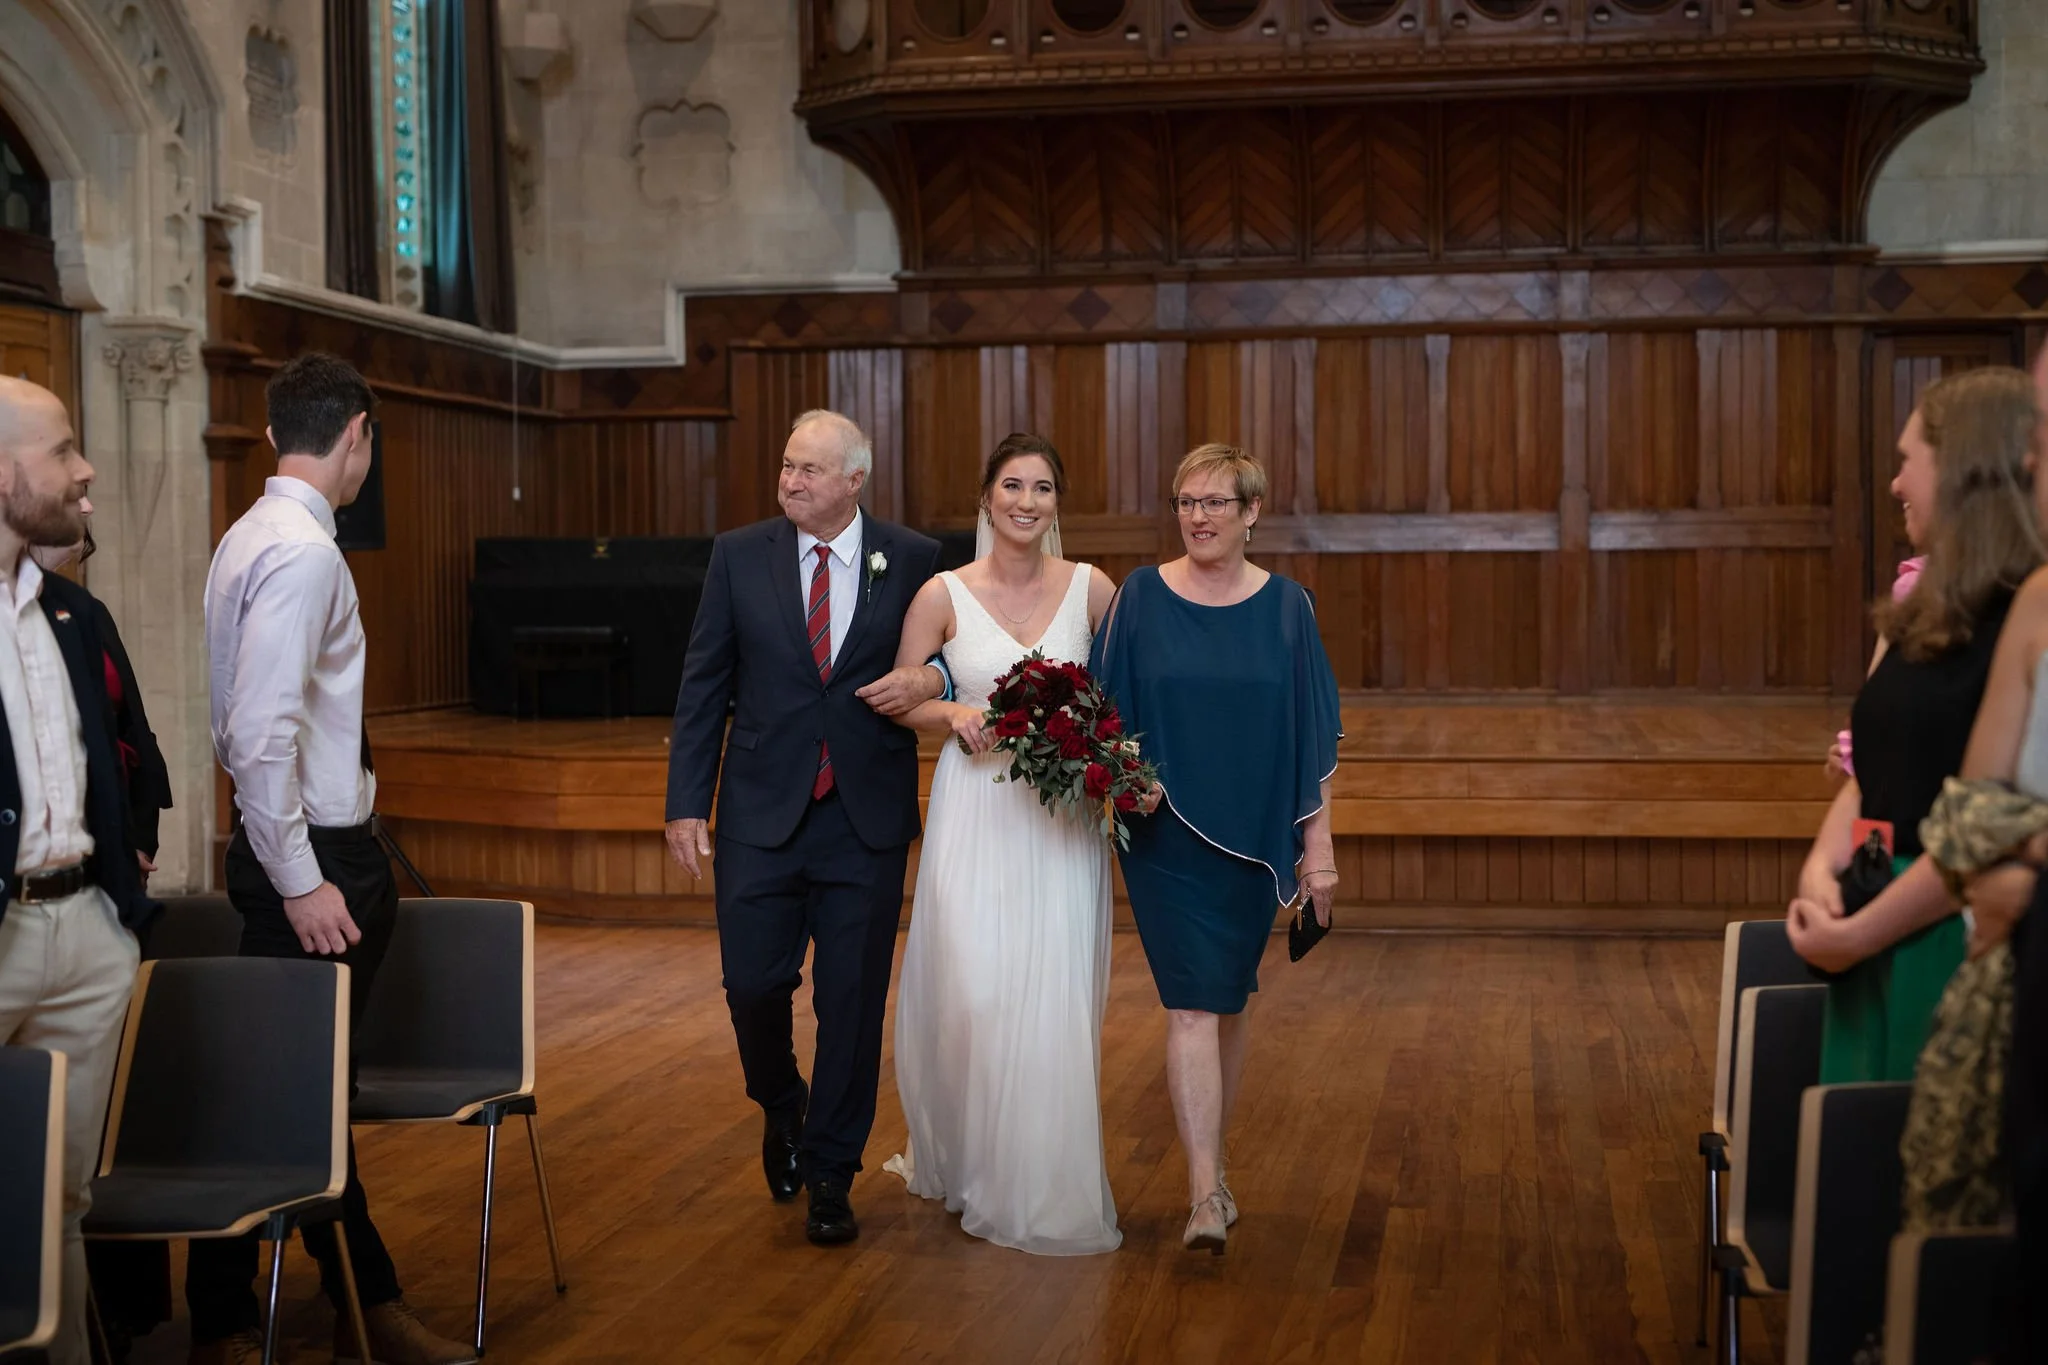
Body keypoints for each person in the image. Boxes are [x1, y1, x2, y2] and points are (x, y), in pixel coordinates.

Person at [188, 353, 473, 1365]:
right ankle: (351, 1309)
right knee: (298, 1099)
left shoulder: (249, 535)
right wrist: (302, 878)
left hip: (292, 846)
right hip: (314, 857)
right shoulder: (306, 554)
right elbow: (260, 733)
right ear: (359, 433)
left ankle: (291, 1308)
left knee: (292, 1092)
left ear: (273, 435)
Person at [664, 410, 949, 1246]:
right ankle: (781, 1103)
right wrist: (688, 800)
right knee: (752, 986)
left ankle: (832, 1171)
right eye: (787, 466)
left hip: (863, 816)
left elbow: (948, 659)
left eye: (810, 471)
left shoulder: (916, 559)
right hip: (758, 810)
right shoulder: (736, 554)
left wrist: (926, 674)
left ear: (854, 481)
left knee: (852, 1005)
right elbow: (702, 682)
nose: (790, 481)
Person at [1090, 443, 1341, 1254]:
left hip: (1255, 836)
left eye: (1216, 503)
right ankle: (1204, 1194)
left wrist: (1319, 850)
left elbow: (1312, 735)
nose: (1199, 516)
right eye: (1187, 502)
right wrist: (1129, 772)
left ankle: (1217, 1169)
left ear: (1252, 513)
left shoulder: (1289, 608)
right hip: (1164, 835)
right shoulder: (1138, 596)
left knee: (1227, 998)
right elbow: (1102, 710)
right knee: (1192, 1003)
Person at [880, 433, 1121, 1255]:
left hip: (1061, 819)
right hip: (975, 810)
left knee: (1051, 994)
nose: (1027, 500)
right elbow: (902, 696)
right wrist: (949, 713)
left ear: (1058, 503)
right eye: (1012, 485)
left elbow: (1126, 693)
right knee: (975, 994)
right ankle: (974, 1158)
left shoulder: (1092, 589)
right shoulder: (942, 593)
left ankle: (1040, 1173)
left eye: (1043, 487)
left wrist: (1103, 751)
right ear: (986, 498)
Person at [1787, 368, 2044, 1083]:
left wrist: (1865, 930)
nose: (1896, 483)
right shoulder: (1917, 613)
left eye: (1908, 462)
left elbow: (1984, 820)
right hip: (1868, 919)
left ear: (1963, 470)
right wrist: (1819, 870)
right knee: (1847, 1166)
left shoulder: (2021, 616)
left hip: (1938, 929)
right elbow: (1872, 768)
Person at [0, 376, 153, 1365]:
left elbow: (110, 763)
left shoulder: (64, 611)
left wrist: (114, 917)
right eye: (61, 449)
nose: (84, 468)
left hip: (82, 937)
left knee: (60, 1193)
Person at [28, 506, 178, 1359]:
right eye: (70, 532)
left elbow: (132, 746)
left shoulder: (83, 616)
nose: (84, 518)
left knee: (73, 1172)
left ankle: (115, 1319)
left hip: (94, 894)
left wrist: (136, 850)